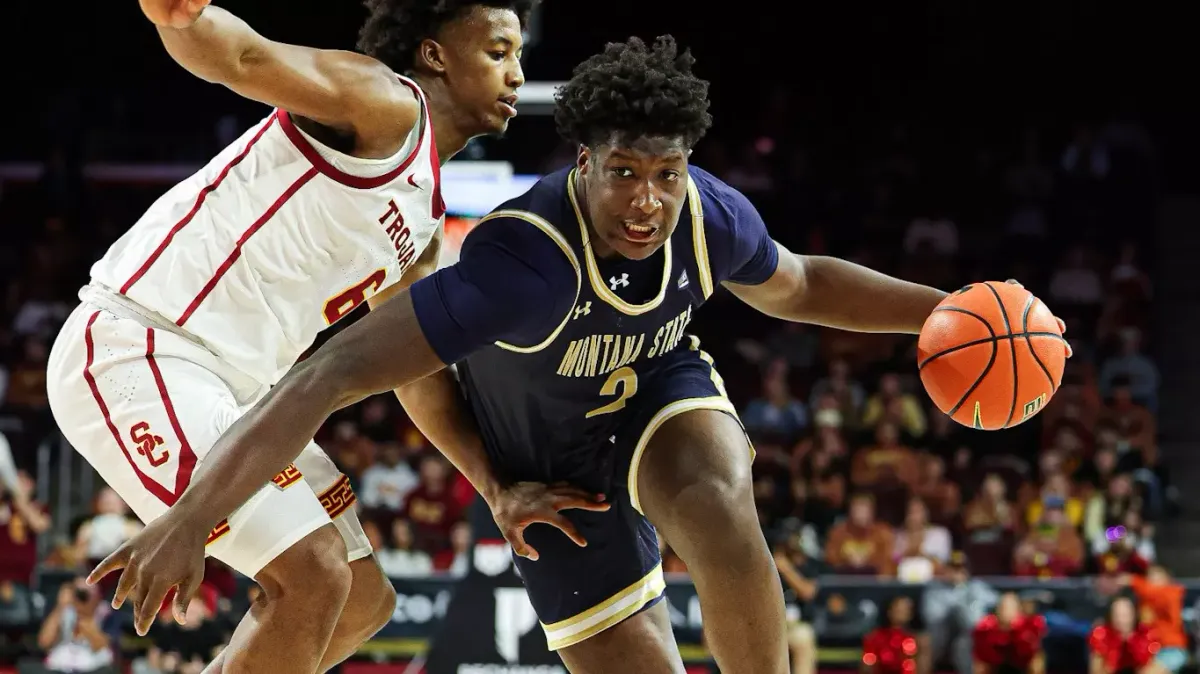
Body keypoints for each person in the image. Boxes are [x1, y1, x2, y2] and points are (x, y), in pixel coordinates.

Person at [91, 36, 1069, 674]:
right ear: (584, 163)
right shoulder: (521, 262)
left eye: (668, 174)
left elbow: (803, 283)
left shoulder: (706, 214)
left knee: (720, 501)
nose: (647, 200)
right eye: (626, 175)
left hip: (653, 402)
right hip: (542, 463)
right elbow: (329, 374)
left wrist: (955, 312)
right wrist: (196, 515)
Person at [48, 0, 532, 672]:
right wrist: (180, 16)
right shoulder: (383, 101)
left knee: (363, 599)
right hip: (144, 344)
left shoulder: (422, 219)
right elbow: (244, 58)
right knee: (314, 575)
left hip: (241, 394)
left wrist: (494, 486)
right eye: (498, 51)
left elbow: (415, 373)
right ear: (435, 54)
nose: (516, 74)